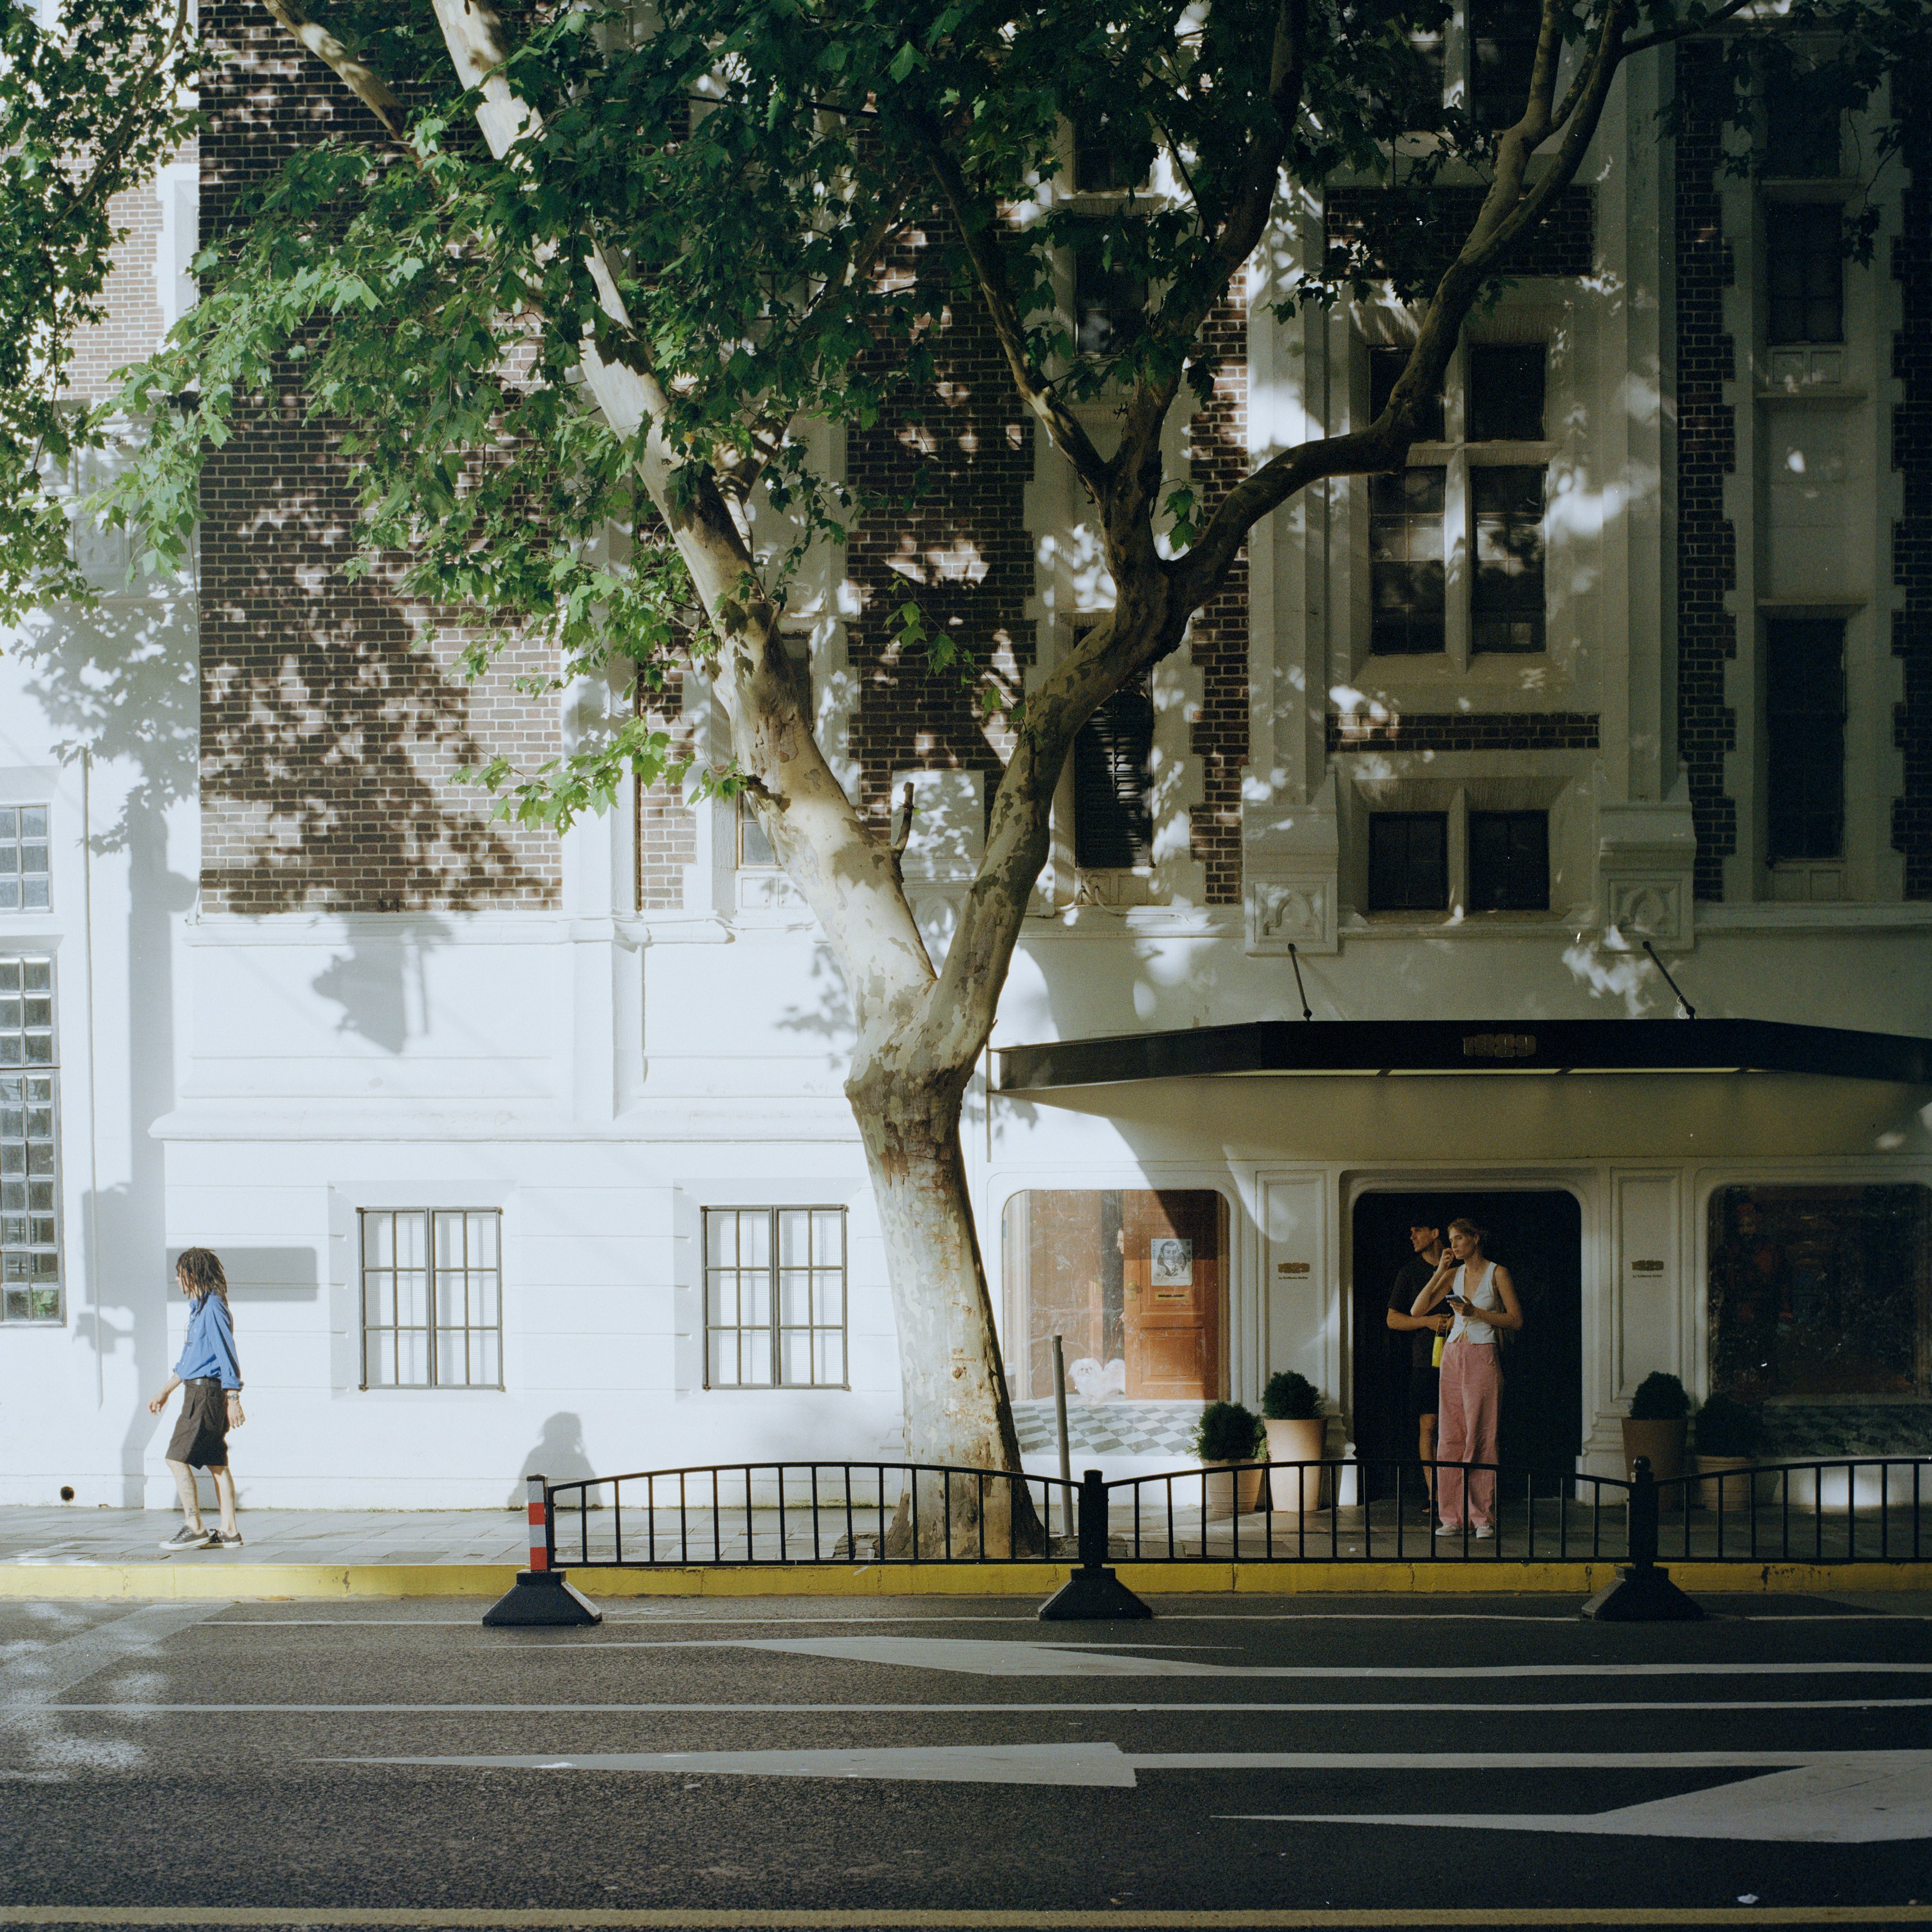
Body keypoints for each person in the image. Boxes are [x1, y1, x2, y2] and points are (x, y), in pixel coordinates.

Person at [1412, 1217, 1522, 1539]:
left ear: (1476, 1238)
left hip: (1482, 1355)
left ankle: (1483, 1517)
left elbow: (1515, 1320)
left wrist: (1477, 1313)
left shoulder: (1497, 1272)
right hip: (1453, 1356)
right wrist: (1438, 1273)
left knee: (1482, 1435)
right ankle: (1451, 1516)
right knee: (1450, 1436)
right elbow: (1418, 1311)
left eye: (1460, 1239)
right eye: (1451, 1240)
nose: (1455, 1245)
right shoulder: (1453, 1274)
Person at [148, 1248, 246, 1550]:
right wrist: (166, 1389)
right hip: (200, 1390)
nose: (177, 1280)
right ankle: (230, 1532)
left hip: (206, 1394)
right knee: (217, 1463)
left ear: (193, 1273)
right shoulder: (199, 1308)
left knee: (176, 1458)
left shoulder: (213, 1306)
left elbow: (226, 1352)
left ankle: (195, 1527)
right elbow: (190, 1360)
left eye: (180, 1274)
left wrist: (233, 1396)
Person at [1385, 1221, 1452, 1507]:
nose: (1411, 1236)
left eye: (1418, 1230)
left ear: (1435, 1233)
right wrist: (1426, 1321)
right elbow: (1392, 1319)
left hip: (1461, 1355)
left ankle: (1458, 1493)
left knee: (1458, 1426)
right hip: (1426, 1360)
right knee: (1430, 1424)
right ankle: (1434, 1493)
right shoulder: (1410, 1272)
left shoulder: (1459, 1266)